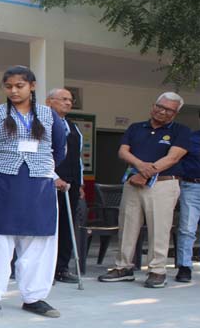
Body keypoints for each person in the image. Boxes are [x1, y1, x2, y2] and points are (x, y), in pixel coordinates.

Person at [0, 65, 66, 320]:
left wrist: (44, 166)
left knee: (38, 240)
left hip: (38, 185)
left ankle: (34, 297)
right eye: (8, 86)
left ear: (32, 86)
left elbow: (61, 150)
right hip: (0, 185)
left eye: (19, 86)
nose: (14, 91)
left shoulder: (50, 116)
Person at [99, 92, 190, 288]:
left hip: (164, 184)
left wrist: (147, 173)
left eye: (168, 109)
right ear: (153, 105)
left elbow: (173, 157)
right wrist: (141, 166)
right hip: (133, 183)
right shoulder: (136, 127)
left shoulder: (181, 130)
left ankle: (157, 270)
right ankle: (123, 267)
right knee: (127, 225)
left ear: (175, 113)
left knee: (159, 228)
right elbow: (123, 151)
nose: (161, 111)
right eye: (159, 106)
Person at [46, 88, 85, 284]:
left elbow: (77, 158)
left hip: (71, 183)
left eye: (70, 100)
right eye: (63, 99)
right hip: (48, 182)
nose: (68, 103)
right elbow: (39, 154)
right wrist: (53, 177)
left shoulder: (73, 126)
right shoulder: (42, 123)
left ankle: (62, 268)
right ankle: (45, 269)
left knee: (67, 227)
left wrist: (80, 183)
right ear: (49, 101)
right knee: (47, 226)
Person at [176, 113, 200, 283]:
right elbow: (176, 161)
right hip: (192, 187)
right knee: (187, 229)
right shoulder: (189, 139)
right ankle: (185, 267)